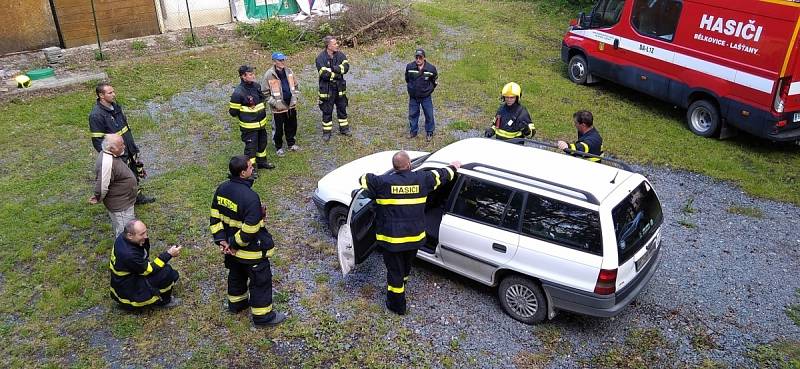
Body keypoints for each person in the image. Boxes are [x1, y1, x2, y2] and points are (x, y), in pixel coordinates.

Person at [359, 151, 460, 315]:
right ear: (409, 165)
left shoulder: (382, 182)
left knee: (394, 272)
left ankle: (397, 305)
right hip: (414, 238)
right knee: (405, 265)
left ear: (394, 167)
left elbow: (364, 179)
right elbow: (443, 175)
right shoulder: (422, 179)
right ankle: (402, 282)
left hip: (392, 241)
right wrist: (453, 167)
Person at [209, 155, 286, 326]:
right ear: (243, 173)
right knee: (260, 281)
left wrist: (222, 241)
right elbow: (250, 230)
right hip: (249, 252)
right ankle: (263, 317)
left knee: (236, 275)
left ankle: (236, 304)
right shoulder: (250, 197)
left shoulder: (221, 189)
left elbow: (215, 217)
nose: (253, 169)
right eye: (250, 167)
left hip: (230, 251)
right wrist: (234, 245)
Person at [89, 82, 155, 204]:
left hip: (128, 147)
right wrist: (111, 156)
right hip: (118, 152)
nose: (114, 95)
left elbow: (124, 128)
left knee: (134, 172)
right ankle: (127, 201)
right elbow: (98, 141)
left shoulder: (115, 107)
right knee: (124, 178)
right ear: (101, 95)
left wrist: (131, 146)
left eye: (113, 91)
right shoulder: (96, 115)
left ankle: (137, 197)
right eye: (110, 93)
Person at [109, 219, 181, 309]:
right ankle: (164, 301)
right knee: (166, 273)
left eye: (145, 232)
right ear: (130, 235)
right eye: (142, 234)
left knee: (164, 270)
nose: (146, 236)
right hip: (129, 289)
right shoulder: (129, 254)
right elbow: (150, 270)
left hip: (123, 282)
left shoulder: (123, 238)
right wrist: (169, 254)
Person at [229, 65, 275, 177]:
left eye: (253, 73)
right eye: (250, 74)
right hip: (249, 127)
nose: (253, 76)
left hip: (261, 124)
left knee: (262, 144)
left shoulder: (256, 86)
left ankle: (262, 162)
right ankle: (251, 168)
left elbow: (262, 100)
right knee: (251, 149)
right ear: (243, 76)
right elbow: (233, 112)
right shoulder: (238, 93)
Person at [89, 134, 138, 237]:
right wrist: (98, 197)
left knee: (126, 228)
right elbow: (102, 186)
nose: (124, 146)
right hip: (121, 207)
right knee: (125, 232)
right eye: (121, 145)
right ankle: (123, 251)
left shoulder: (111, 155)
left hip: (124, 201)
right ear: (111, 148)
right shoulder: (107, 162)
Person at [263, 52, 300, 157]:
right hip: (278, 109)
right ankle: (278, 147)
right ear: (274, 61)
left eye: (283, 60)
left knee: (292, 126)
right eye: (280, 60)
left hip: (291, 105)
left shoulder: (289, 71)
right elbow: (265, 93)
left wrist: (295, 97)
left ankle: (291, 144)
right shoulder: (269, 75)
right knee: (278, 129)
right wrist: (275, 103)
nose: (282, 62)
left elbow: (296, 86)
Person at [315, 36, 350, 142]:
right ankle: (327, 133)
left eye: (336, 43)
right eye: (334, 44)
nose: (337, 45)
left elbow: (346, 67)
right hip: (327, 89)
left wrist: (333, 69)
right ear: (328, 46)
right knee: (327, 111)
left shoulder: (340, 55)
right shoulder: (320, 58)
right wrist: (338, 73)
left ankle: (344, 129)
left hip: (340, 88)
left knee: (342, 109)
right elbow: (324, 74)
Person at [405, 48, 438, 141]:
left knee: (429, 114)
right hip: (413, 97)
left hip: (426, 97)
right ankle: (413, 131)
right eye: (416, 57)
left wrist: (428, 90)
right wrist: (411, 89)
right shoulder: (409, 67)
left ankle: (429, 132)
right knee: (412, 114)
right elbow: (407, 79)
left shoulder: (431, 68)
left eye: (420, 57)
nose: (418, 60)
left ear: (424, 58)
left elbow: (434, 80)